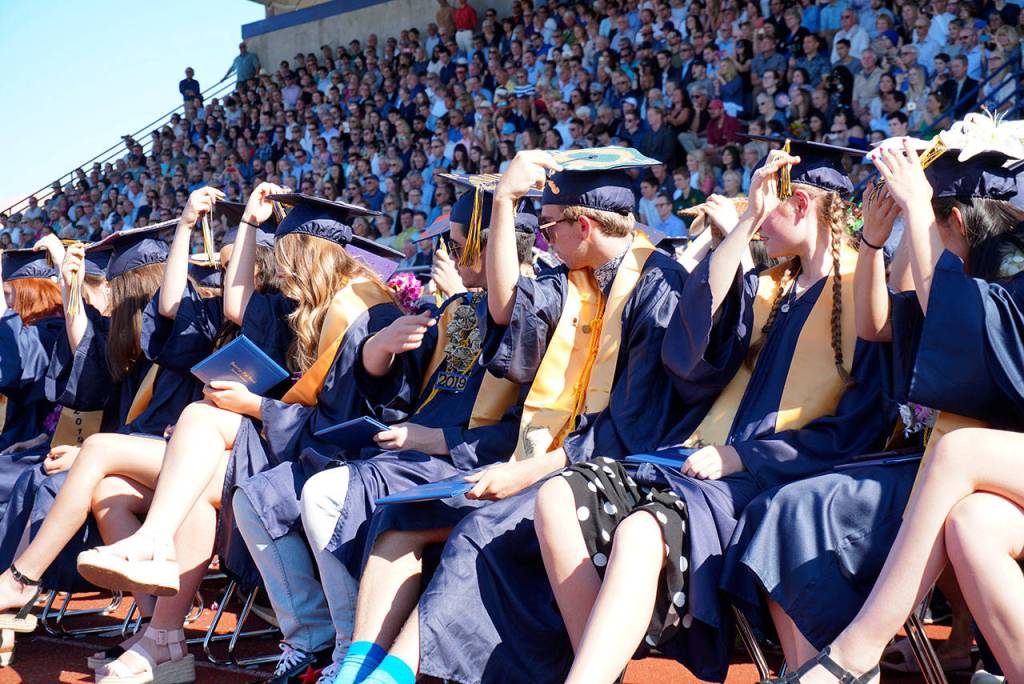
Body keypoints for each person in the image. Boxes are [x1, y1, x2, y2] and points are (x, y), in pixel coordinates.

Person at [532, 138, 891, 683]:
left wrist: (742, 457)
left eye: (766, 205)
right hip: (700, 461)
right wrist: (745, 223)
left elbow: (858, 428)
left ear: (799, 206)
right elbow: (692, 354)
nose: (758, 220)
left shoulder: (863, 293)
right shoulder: (773, 288)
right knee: (558, 496)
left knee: (642, 530)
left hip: (779, 472)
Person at [342, 147, 699, 684]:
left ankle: (393, 674)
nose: (546, 240)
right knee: (402, 517)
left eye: (551, 227)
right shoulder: (576, 280)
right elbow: (507, 309)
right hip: (548, 460)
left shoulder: (658, 288)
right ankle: (359, 668)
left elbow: (633, 425)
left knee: (478, 531)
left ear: (583, 225)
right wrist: (504, 202)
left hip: (615, 469)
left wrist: (531, 469)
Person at [231, 178, 533, 684]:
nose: (448, 254)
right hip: (398, 453)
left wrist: (430, 436)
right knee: (258, 495)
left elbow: (535, 431)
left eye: (458, 244)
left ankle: (352, 649)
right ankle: (312, 637)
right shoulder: (460, 311)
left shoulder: (541, 316)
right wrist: (379, 354)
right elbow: (415, 394)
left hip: (457, 461)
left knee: (325, 492)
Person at [72, 188, 404, 631]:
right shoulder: (300, 311)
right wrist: (248, 223)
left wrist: (257, 406)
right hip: (293, 442)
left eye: (287, 257)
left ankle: (140, 563)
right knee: (190, 473)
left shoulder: (364, 315)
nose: (280, 270)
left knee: (195, 422)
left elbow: (345, 418)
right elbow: (236, 302)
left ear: (308, 256)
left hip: (333, 452)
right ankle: (161, 633)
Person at [761, 130, 1024, 684]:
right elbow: (878, 327)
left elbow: (961, 324)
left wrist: (917, 206)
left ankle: (857, 653)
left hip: (978, 457)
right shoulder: (966, 275)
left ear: (955, 222)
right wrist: (877, 244)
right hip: (996, 473)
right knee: (971, 524)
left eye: (932, 224)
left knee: (958, 450)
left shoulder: (1015, 275)